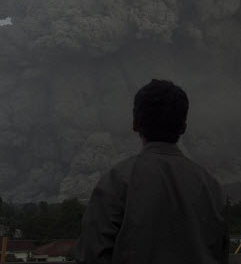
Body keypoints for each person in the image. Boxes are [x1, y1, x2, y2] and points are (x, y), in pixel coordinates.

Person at [74, 79, 229, 264]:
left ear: (135, 124)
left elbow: (92, 254)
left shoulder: (116, 183)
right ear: (183, 127)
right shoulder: (211, 188)